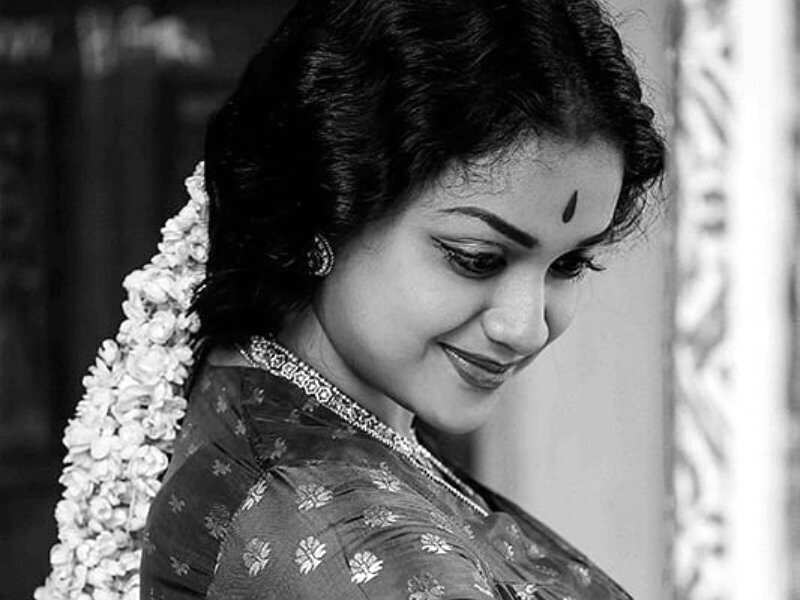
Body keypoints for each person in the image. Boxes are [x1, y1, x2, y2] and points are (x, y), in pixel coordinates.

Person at [46, 0, 666, 598]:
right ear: (327, 209)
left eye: (569, 263)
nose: (525, 327)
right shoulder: (343, 539)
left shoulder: (281, 413)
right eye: (476, 258)